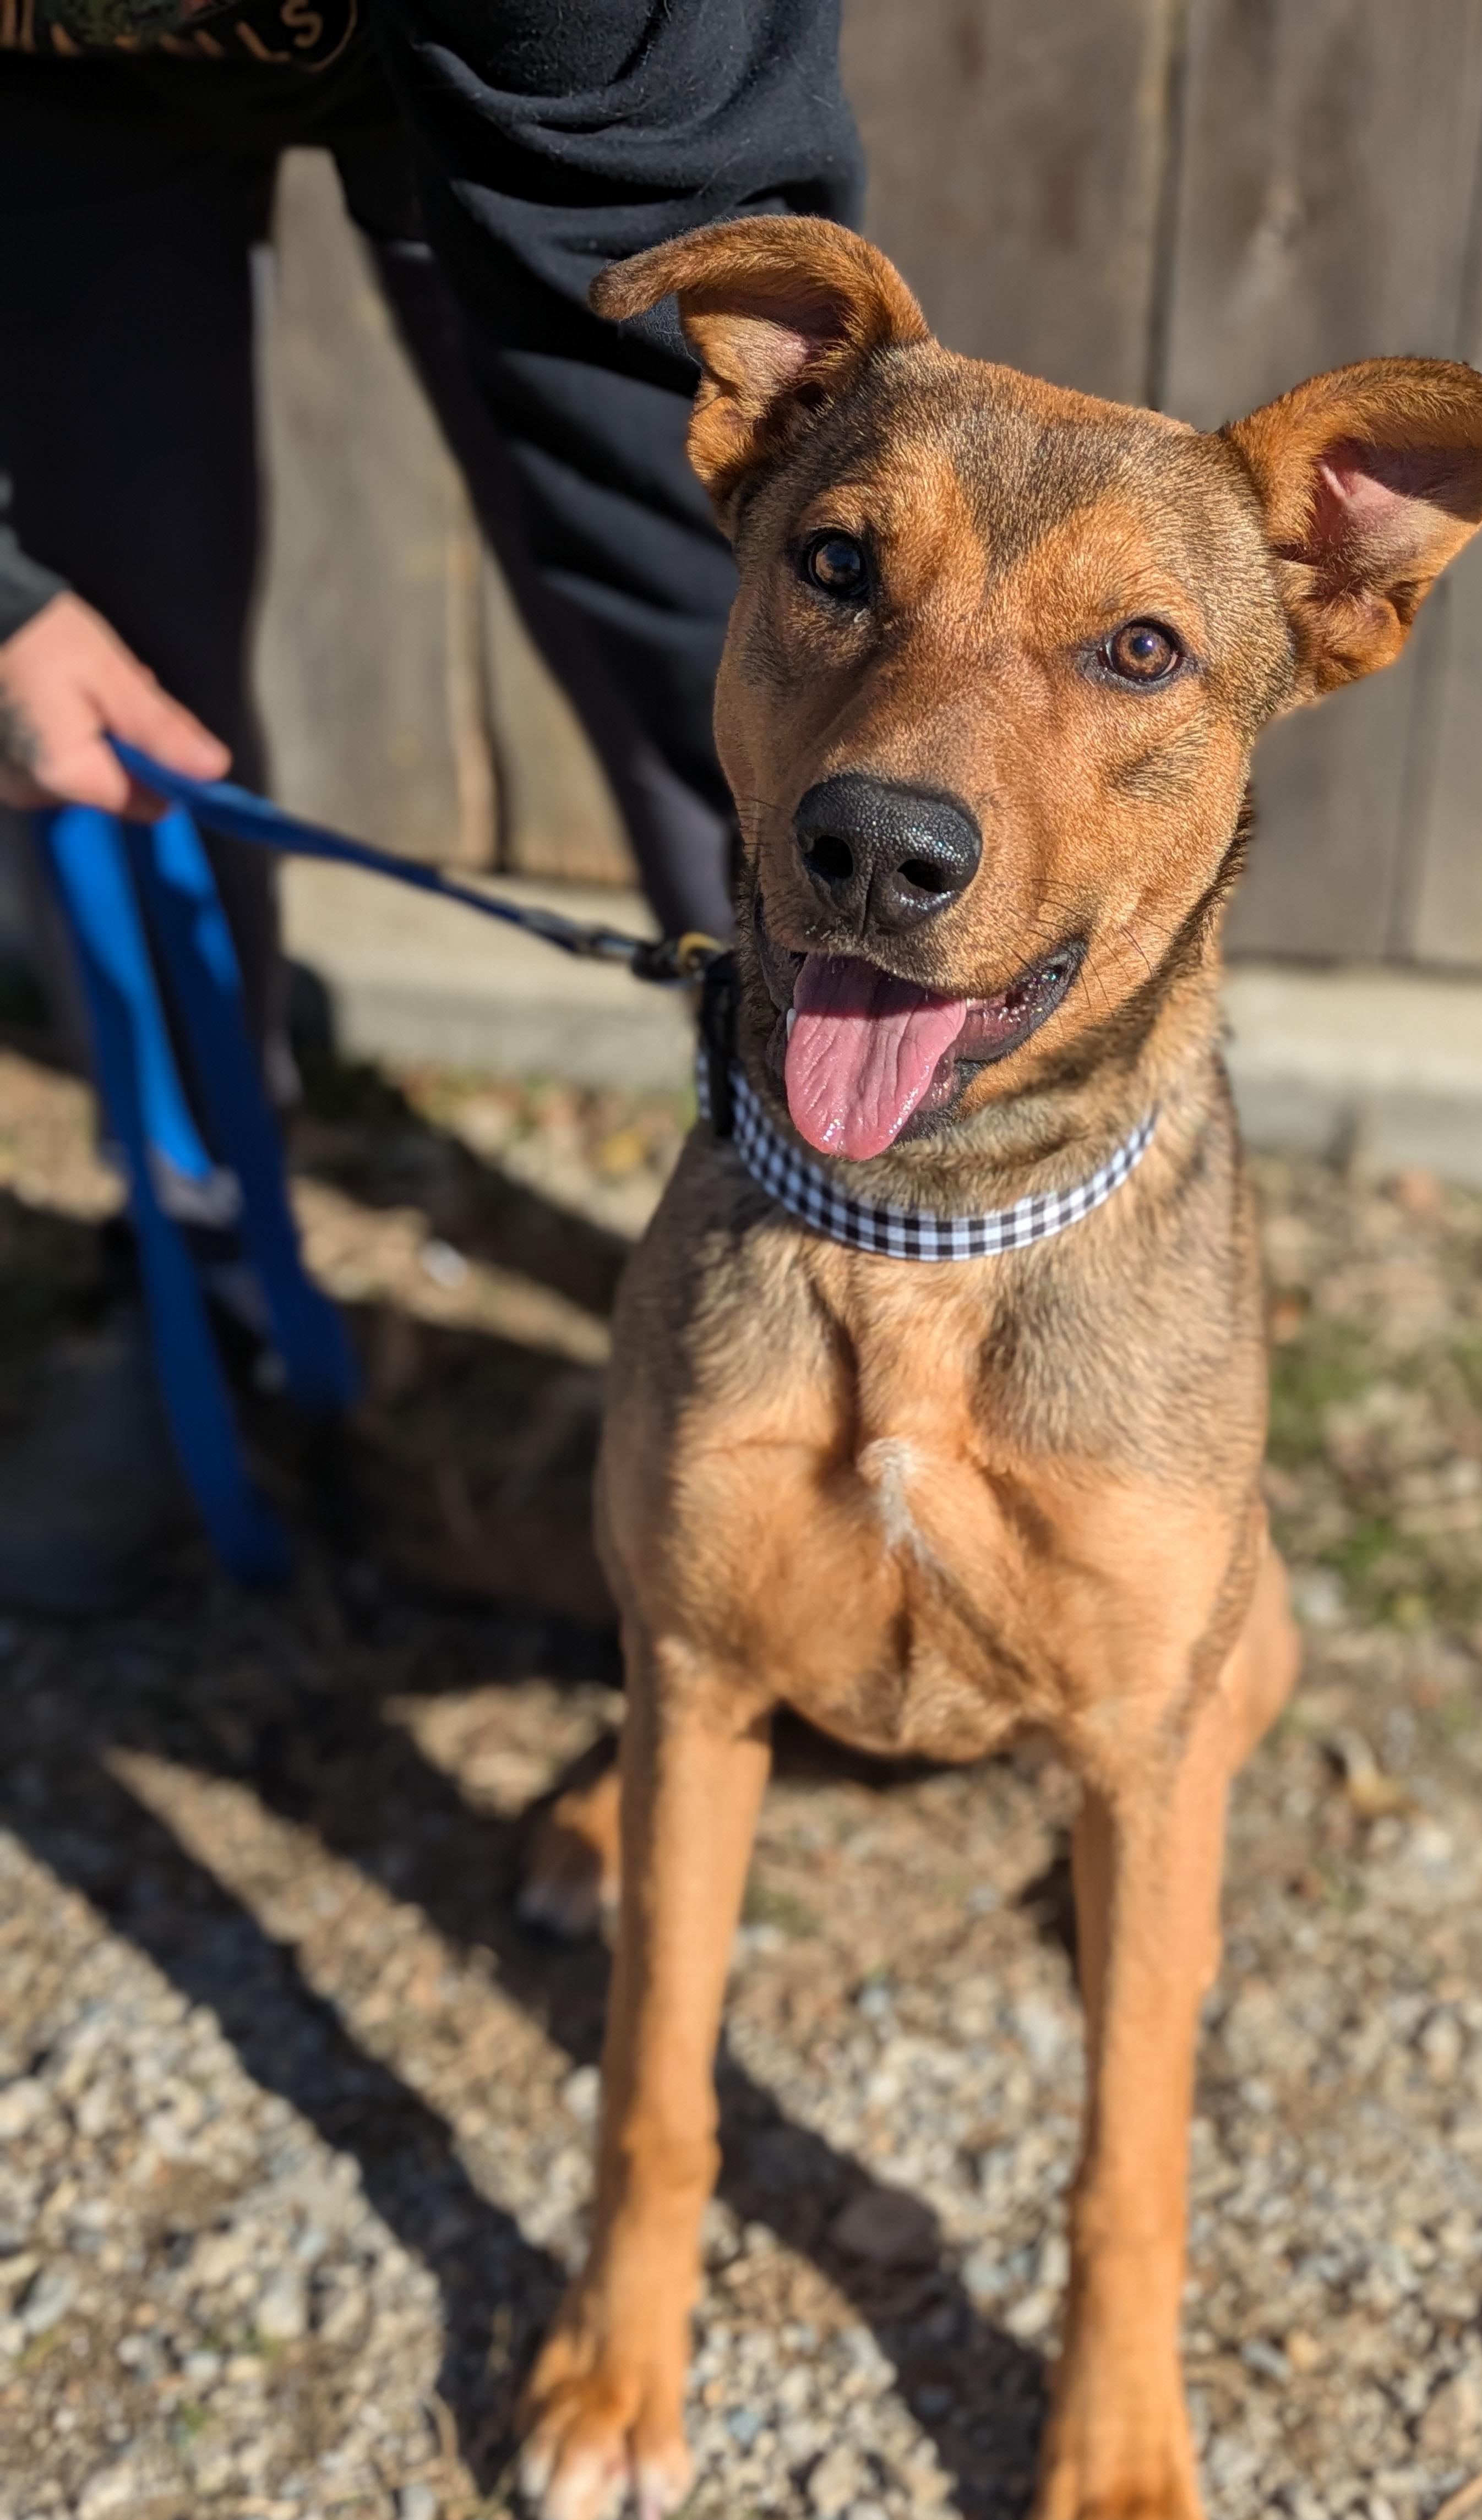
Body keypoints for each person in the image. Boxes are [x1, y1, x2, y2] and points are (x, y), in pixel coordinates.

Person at [0, 0, 860, 1610]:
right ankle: (204, 1282)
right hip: (46, 87)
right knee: (104, 700)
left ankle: (834, 1305)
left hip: (544, 68)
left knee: (717, 647)